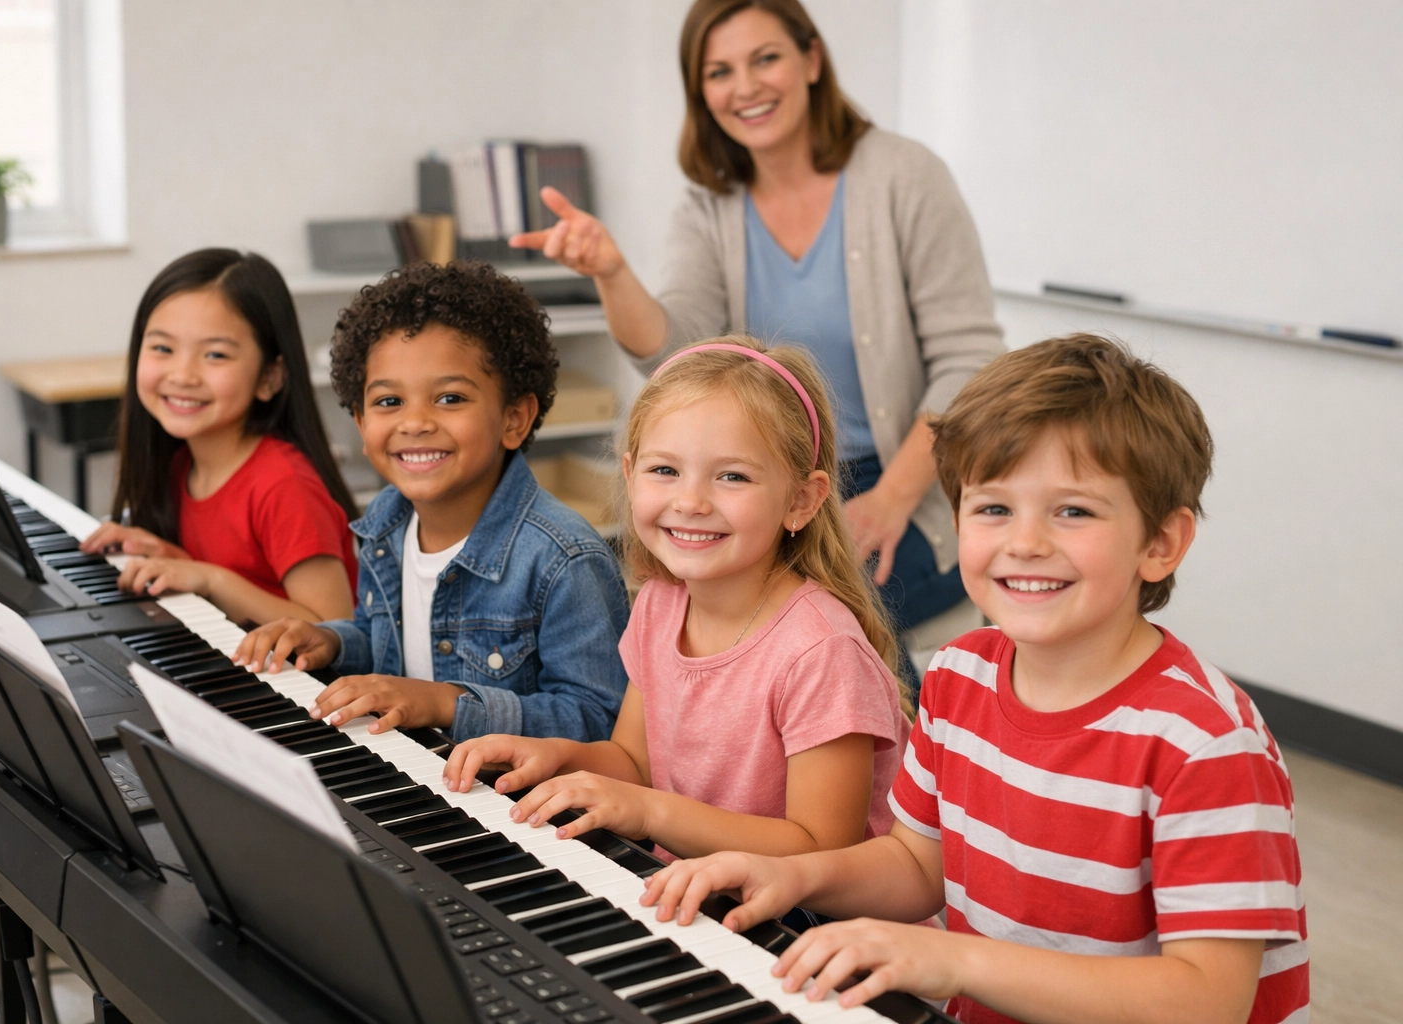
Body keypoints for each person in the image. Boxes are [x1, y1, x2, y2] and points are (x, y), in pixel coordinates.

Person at [640, 335, 1308, 1024]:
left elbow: (1209, 999)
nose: (1025, 543)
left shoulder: (1204, 742)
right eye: (993, 508)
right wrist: (791, 875)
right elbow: (917, 867)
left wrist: (958, 962)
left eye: (1072, 510)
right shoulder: (961, 675)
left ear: (1160, 544)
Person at [512, 0, 1004, 696]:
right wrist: (611, 274)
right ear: (700, 91)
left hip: (907, 484)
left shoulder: (904, 176)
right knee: (660, 590)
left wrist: (892, 500)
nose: (745, 86)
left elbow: (970, 363)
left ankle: (899, 790)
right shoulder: (709, 207)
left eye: (765, 58)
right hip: (767, 481)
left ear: (810, 60)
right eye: (719, 71)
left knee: (828, 596)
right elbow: (677, 352)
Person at [442, 338, 910, 863]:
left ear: (800, 501)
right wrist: (555, 756)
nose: (690, 502)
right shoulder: (659, 605)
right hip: (694, 898)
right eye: (665, 470)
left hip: (809, 930)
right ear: (629, 474)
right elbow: (634, 763)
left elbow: (823, 850)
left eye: (732, 476)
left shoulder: (822, 653)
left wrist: (650, 812)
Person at [233, 262, 629, 743]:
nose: (415, 422)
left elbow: (599, 721)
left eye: (449, 398)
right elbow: (388, 643)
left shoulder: (564, 559)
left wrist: (443, 702)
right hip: (420, 777)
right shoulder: (386, 521)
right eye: (388, 402)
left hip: (516, 804)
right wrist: (334, 641)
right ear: (360, 423)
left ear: (514, 419)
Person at [81, 248, 359, 625]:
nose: (182, 375)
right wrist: (172, 559)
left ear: (270, 377)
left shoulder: (284, 486)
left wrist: (210, 580)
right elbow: (241, 576)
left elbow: (333, 629)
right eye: (162, 348)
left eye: (215, 355)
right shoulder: (182, 463)